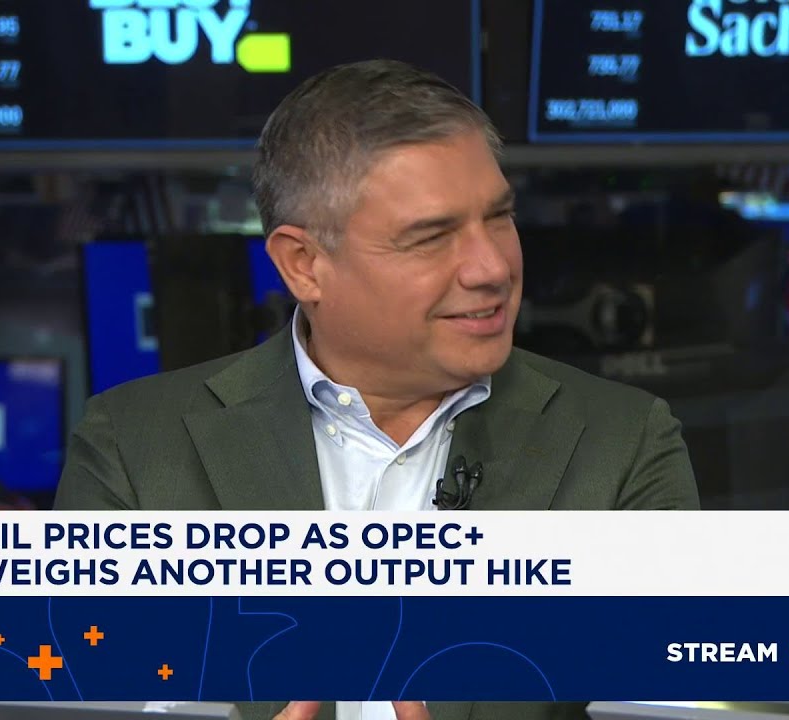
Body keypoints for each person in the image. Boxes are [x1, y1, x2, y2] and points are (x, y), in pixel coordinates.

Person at [56, 59, 699, 720]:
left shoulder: (623, 445)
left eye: (499, 217)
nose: (491, 267)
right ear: (304, 265)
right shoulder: (134, 450)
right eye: (431, 237)